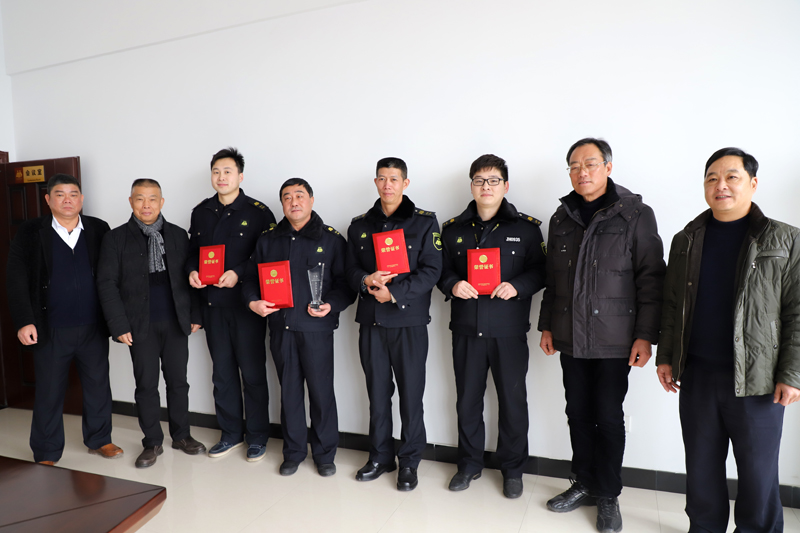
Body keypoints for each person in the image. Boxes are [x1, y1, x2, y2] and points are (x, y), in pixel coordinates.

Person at [657, 147, 800, 533]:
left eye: (731, 177)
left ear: (753, 183)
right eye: (712, 178)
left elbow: (798, 312)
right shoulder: (686, 239)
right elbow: (672, 304)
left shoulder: (786, 239)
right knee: (701, 467)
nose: (720, 185)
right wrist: (666, 356)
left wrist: (793, 373)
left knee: (758, 473)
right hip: (698, 375)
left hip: (759, 380)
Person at [538, 138, 665, 533]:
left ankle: (608, 494)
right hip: (569, 335)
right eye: (574, 166)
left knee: (608, 416)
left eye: (590, 164)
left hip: (615, 339)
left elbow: (651, 278)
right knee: (577, 412)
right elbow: (553, 278)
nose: (582, 172)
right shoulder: (561, 217)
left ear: (608, 167)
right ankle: (584, 482)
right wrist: (547, 324)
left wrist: (645, 335)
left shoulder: (636, 214)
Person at [438, 154, 546, 498]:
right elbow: (439, 270)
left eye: (494, 180)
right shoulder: (452, 229)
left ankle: (512, 470)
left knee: (513, 402)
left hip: (508, 330)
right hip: (467, 329)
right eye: (480, 180)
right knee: (467, 401)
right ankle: (469, 465)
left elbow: (542, 271)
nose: (486, 186)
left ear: (506, 186)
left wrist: (518, 286)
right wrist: (453, 284)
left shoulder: (526, 229)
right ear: (471, 186)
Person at [6, 174, 123, 465]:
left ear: (81, 199)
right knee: (49, 391)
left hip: (93, 327)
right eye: (60, 194)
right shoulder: (31, 231)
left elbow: (112, 274)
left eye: (73, 194)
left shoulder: (98, 228)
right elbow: (16, 278)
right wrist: (24, 320)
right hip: (51, 327)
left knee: (98, 386)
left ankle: (100, 439)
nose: (67, 200)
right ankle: (46, 451)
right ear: (48, 199)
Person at [243, 178, 355, 476]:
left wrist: (331, 304)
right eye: (287, 197)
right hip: (281, 328)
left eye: (300, 196)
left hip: (316, 330)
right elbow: (251, 278)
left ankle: (325, 454)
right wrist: (254, 302)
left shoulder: (331, 240)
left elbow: (346, 284)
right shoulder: (268, 240)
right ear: (282, 203)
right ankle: (293, 452)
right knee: (289, 393)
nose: (294, 202)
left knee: (321, 392)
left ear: (311, 200)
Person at [345, 157, 442, 491]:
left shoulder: (425, 222)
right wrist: (366, 279)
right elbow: (349, 270)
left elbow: (432, 270)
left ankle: (409, 462)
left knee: (411, 396)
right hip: (372, 322)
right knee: (377, 393)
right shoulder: (359, 226)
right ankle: (380, 456)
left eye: (394, 179)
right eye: (382, 179)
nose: (388, 185)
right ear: (376, 182)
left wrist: (395, 294)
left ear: (405, 183)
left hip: (408, 321)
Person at [97, 179, 205, 468]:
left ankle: (182, 436)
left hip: (176, 322)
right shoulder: (116, 238)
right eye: (140, 199)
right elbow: (107, 284)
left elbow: (193, 278)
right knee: (146, 386)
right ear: (131, 202)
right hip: (138, 325)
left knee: (178, 383)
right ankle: (152, 442)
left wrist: (196, 315)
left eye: (152, 199)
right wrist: (118, 325)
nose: (146, 205)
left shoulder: (178, 235)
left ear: (162, 202)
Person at [187, 147, 275, 462]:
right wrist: (192, 272)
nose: (221, 177)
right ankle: (230, 434)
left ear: (240, 176)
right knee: (222, 373)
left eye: (227, 171)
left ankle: (258, 436)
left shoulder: (259, 212)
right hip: (213, 306)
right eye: (216, 172)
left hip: (246, 306)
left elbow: (268, 256)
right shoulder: (201, 212)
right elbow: (192, 253)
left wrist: (238, 272)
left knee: (252, 373)